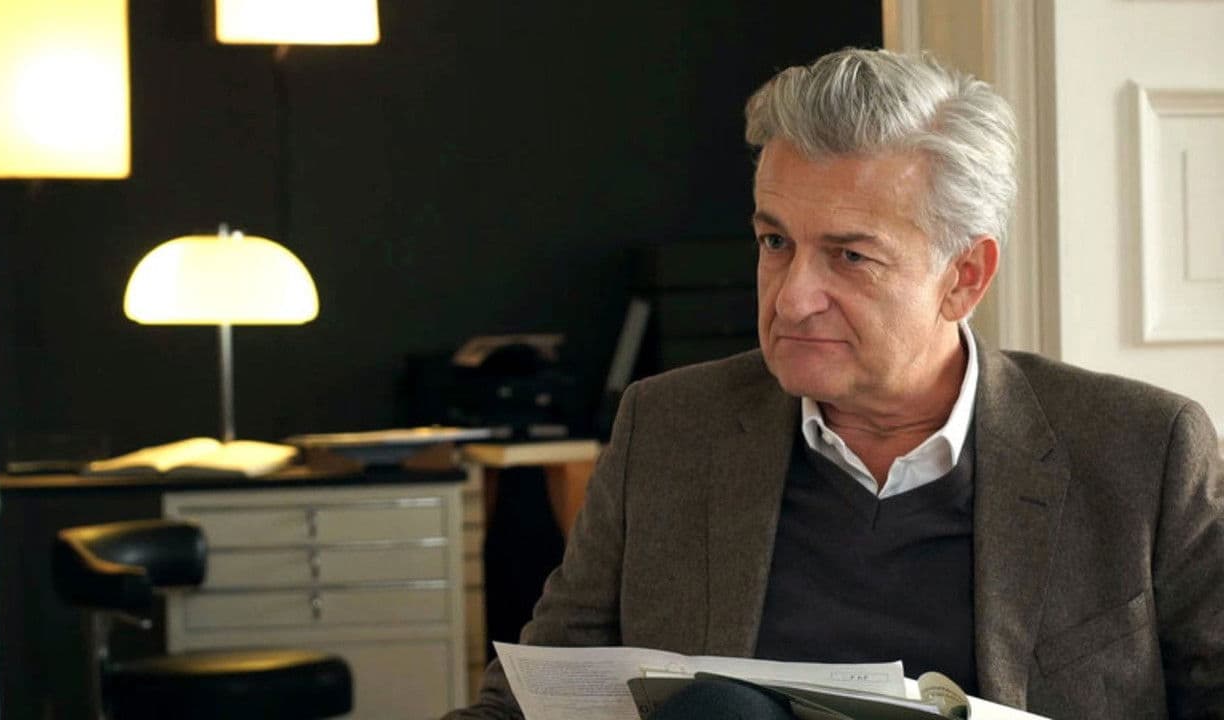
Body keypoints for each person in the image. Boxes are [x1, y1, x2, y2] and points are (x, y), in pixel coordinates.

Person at [444, 48, 1224, 719]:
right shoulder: (668, 428)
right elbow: (529, 704)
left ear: (964, 276)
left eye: (850, 256)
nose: (791, 298)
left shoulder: (1141, 451)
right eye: (775, 242)